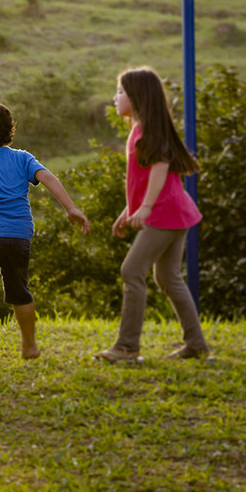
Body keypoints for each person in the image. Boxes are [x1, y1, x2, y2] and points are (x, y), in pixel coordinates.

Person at [0, 99, 89, 366]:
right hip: (19, 235)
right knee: (19, 289)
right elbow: (48, 178)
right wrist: (70, 208)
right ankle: (30, 345)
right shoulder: (22, 157)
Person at [94, 67, 210, 363]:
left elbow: (159, 168)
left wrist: (144, 209)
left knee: (131, 271)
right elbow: (142, 180)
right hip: (173, 210)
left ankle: (127, 348)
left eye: (120, 92)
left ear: (137, 97)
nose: (115, 97)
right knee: (169, 277)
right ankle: (196, 345)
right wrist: (129, 211)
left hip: (165, 212)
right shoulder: (142, 129)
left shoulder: (146, 131)